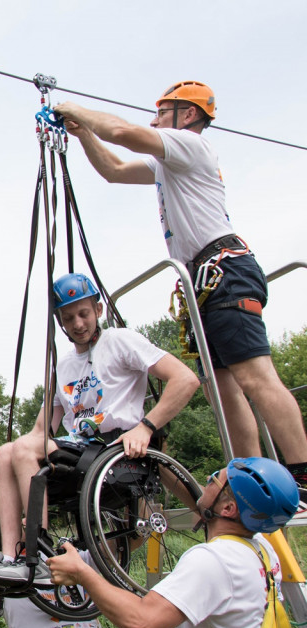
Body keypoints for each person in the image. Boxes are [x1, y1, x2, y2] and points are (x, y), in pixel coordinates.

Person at [53, 83, 307, 502]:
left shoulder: (190, 145)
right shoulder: (168, 166)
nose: (154, 120)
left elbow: (121, 132)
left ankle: (301, 471)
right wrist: (82, 133)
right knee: (221, 386)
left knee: (254, 376)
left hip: (225, 269)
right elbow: (114, 169)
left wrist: (76, 107)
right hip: (202, 281)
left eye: (161, 112)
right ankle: (251, 475)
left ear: (187, 115)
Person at [0, 272, 199, 588]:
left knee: (25, 450)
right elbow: (42, 429)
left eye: (84, 313)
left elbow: (186, 379)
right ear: (60, 321)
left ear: (98, 310)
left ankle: (37, 557)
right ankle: (6, 558)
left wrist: (146, 427)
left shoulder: (120, 341)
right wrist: (7, 472)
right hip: (78, 449)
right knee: (6, 452)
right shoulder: (65, 366)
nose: (78, 323)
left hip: (112, 448)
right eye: (68, 318)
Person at [47, 457, 299, 628]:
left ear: (229, 509)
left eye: (214, 480)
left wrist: (81, 573)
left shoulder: (214, 560)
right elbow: (203, 501)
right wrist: (154, 457)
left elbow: (141, 622)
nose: (207, 481)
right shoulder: (261, 548)